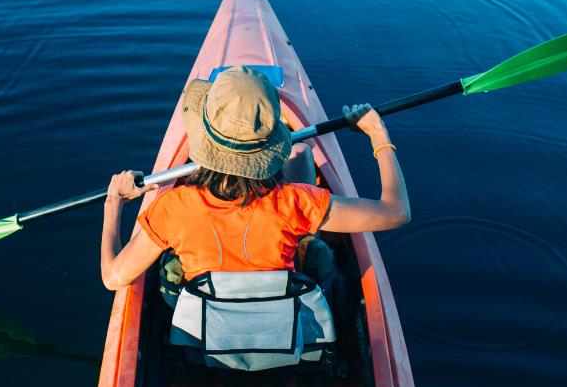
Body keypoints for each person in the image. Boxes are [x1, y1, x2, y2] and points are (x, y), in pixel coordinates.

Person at [100, 65, 410, 294]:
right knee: (301, 156)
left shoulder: (172, 209)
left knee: (170, 267)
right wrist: (377, 135)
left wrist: (114, 202)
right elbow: (396, 213)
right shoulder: (298, 202)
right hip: (284, 334)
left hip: (205, 337)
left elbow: (113, 277)